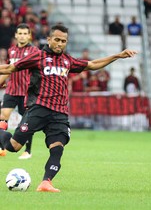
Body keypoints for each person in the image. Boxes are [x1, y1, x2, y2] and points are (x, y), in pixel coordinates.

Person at [0, 24, 137, 192]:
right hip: (39, 109)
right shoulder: (38, 56)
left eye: (63, 41)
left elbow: (92, 64)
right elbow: (10, 68)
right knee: (13, 147)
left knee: (57, 148)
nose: (59, 44)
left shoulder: (67, 60)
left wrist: (118, 55)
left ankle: (46, 182)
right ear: (49, 39)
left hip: (60, 113)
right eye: (56, 40)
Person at [0, 23, 39, 159]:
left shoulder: (34, 52)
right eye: (20, 33)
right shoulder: (11, 51)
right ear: (16, 35)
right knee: (3, 115)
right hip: (12, 90)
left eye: (25, 34)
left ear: (29, 36)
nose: (22, 36)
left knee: (26, 122)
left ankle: (27, 150)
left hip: (26, 92)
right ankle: (1, 147)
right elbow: (8, 70)